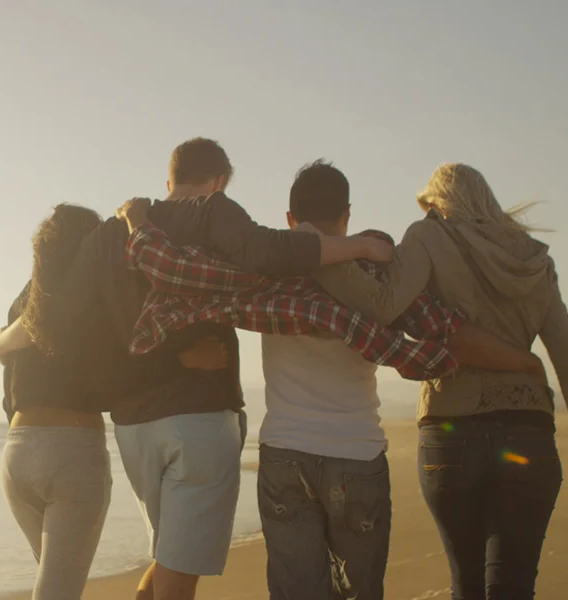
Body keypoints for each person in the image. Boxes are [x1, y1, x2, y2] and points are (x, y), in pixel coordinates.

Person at [112, 162, 547, 600]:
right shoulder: (378, 271)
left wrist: (140, 221)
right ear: (348, 214)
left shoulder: (269, 270)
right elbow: (450, 333)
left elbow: (178, 270)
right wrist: (522, 362)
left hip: (285, 456)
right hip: (356, 455)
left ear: (288, 219)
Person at [33, 138, 395, 600]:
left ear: (169, 181)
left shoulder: (108, 233)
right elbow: (268, 252)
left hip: (131, 428)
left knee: (168, 562)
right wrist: (360, 244)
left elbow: (76, 328)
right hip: (198, 419)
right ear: (219, 181)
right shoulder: (212, 211)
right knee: (177, 579)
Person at [311, 163, 566, 600]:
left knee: (466, 583)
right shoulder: (533, 257)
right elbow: (563, 352)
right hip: (528, 434)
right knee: (514, 587)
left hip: (452, 433)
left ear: (436, 201)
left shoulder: (429, 235)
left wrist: (316, 254)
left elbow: (386, 304)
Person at [0, 204, 229, 600]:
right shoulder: (93, 300)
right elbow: (116, 378)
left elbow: (9, 389)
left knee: (51, 585)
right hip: (71, 454)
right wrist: (183, 360)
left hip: (16, 455)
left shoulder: (26, 303)